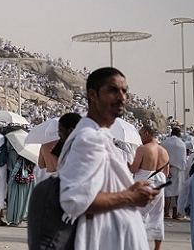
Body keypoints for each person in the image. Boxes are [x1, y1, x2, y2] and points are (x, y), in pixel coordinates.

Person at [58, 67, 158, 250]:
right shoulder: (89, 138)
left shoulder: (99, 135)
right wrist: (130, 196)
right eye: (112, 90)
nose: (121, 97)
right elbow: (74, 200)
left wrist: (129, 191)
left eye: (124, 91)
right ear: (93, 95)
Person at [129, 124, 170, 250]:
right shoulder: (164, 151)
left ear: (146, 134)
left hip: (146, 184)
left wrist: (126, 164)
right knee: (157, 217)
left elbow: (134, 169)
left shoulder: (143, 149)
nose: (140, 137)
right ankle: (157, 247)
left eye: (141, 134)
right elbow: (166, 173)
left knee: (136, 215)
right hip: (160, 185)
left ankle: (136, 244)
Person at [161, 126, 187, 219]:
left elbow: (162, 155)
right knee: (178, 191)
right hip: (179, 169)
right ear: (179, 134)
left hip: (167, 168)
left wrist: (166, 166)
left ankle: (166, 213)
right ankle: (177, 213)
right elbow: (183, 160)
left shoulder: (165, 142)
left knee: (167, 192)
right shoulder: (182, 144)